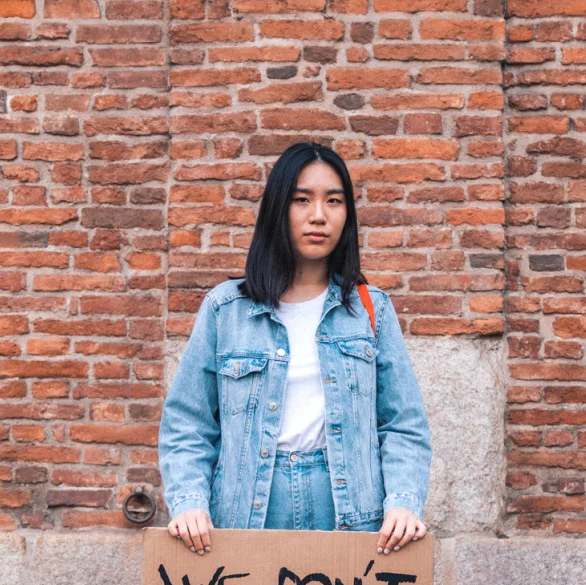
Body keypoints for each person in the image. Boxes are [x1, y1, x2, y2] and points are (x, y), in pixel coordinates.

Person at [159, 141, 432, 555]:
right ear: (277, 209)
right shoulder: (225, 309)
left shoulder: (370, 309)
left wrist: (404, 503)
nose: (318, 215)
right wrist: (189, 502)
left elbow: (403, 424)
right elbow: (188, 423)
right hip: (247, 516)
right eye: (302, 199)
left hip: (351, 518)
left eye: (334, 201)